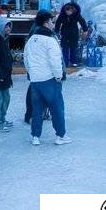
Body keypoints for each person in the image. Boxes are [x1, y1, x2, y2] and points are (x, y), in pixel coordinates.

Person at [24, 11, 71, 146]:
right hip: (49, 79)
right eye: (51, 21)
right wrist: (58, 75)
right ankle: (61, 135)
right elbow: (55, 60)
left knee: (37, 109)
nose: (53, 24)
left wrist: (31, 72)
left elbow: (26, 59)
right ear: (46, 23)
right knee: (56, 108)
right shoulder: (50, 39)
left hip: (35, 80)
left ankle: (35, 136)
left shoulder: (31, 39)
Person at [54, 2, 88, 67]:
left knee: (73, 48)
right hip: (64, 34)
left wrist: (85, 30)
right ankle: (65, 62)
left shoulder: (76, 15)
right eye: (66, 11)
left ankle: (73, 62)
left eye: (69, 11)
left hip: (74, 34)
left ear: (72, 10)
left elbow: (82, 22)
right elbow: (58, 23)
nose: (67, 13)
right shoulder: (62, 15)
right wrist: (57, 31)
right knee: (65, 48)